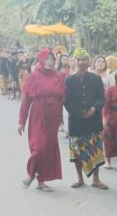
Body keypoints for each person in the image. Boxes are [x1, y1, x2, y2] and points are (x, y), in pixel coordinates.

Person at [18, 49, 65, 192]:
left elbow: (61, 99)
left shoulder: (58, 76)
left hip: (53, 117)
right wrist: (22, 121)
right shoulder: (34, 76)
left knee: (49, 149)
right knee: (39, 148)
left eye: (52, 59)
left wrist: (61, 120)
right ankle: (31, 173)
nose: (50, 62)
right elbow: (26, 101)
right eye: (47, 59)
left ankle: (41, 181)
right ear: (41, 60)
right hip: (38, 115)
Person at [63, 48, 109, 190]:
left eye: (84, 59)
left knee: (95, 150)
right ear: (74, 61)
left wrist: (95, 108)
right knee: (77, 151)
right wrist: (78, 113)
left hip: (93, 120)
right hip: (76, 121)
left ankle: (96, 179)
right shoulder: (69, 80)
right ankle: (79, 178)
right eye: (79, 59)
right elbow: (66, 100)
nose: (81, 62)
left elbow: (102, 97)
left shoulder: (96, 79)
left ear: (89, 61)